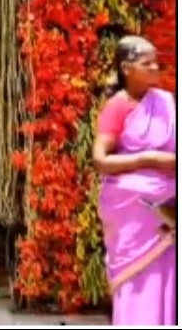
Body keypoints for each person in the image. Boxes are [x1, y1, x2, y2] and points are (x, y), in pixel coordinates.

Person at [92, 36, 176, 326]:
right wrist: (149, 159)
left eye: (156, 61)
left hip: (167, 213)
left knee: (166, 282)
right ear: (127, 68)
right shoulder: (117, 107)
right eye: (147, 63)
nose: (155, 67)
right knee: (136, 286)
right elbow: (101, 160)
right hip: (132, 215)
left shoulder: (166, 103)